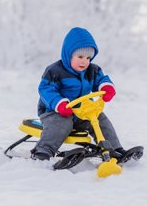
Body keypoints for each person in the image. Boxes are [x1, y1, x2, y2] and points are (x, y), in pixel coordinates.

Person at [31, 27, 126, 161]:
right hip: (55, 111)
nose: (84, 61)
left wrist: (106, 87)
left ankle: (115, 149)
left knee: (100, 119)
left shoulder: (92, 70)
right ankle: (43, 150)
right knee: (61, 124)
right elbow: (46, 89)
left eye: (88, 58)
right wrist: (59, 103)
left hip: (82, 110)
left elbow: (101, 79)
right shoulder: (55, 71)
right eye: (80, 57)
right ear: (68, 54)